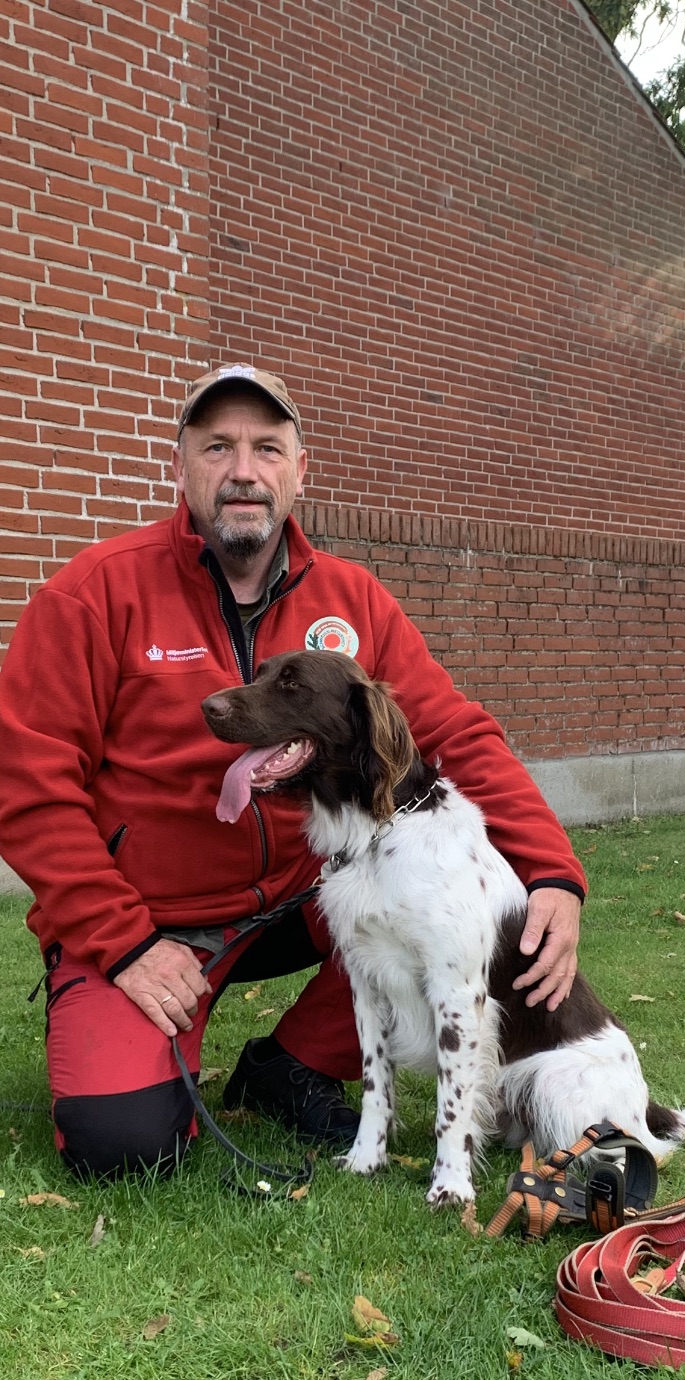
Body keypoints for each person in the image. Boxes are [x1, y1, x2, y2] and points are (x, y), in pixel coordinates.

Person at [0, 365, 587, 1179]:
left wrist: (551, 869)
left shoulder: (355, 598)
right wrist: (124, 942)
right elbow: (28, 789)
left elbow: (456, 733)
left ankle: (292, 1065)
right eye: (219, 447)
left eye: (267, 448)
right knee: (124, 1145)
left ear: (298, 471)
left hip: (306, 894)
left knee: (423, 906)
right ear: (181, 467)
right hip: (151, 917)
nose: (244, 469)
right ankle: (138, 1038)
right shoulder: (94, 594)